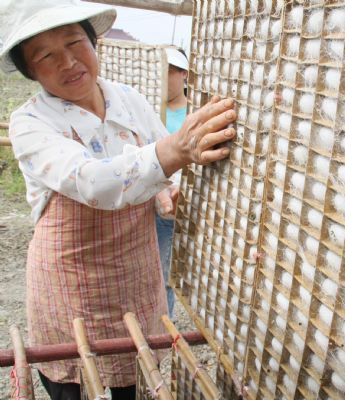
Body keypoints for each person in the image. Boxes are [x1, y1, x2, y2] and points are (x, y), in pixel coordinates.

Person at [0, 1, 236, 399]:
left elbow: (164, 165)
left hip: (136, 274)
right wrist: (175, 150)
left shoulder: (129, 99)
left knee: (140, 377)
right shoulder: (32, 122)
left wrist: (169, 190)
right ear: (29, 71)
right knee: (73, 380)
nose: (69, 61)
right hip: (71, 284)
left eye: (76, 43)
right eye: (46, 56)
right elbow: (91, 181)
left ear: (95, 44)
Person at [156, 47, 190, 318]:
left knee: (170, 270)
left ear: (183, 74)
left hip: (184, 200)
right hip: (155, 197)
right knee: (156, 267)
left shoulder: (192, 112)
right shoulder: (151, 110)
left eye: (171, 72)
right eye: (162, 72)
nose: (165, 78)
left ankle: (164, 325)